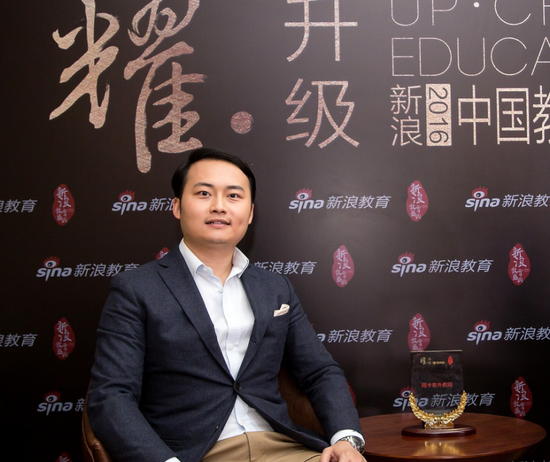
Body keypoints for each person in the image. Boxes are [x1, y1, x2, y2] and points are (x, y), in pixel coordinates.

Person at [87, 147, 365, 462]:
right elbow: (111, 396)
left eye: (233, 196)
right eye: (204, 193)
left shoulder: (275, 288)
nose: (219, 206)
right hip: (194, 454)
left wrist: (346, 439)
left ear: (250, 213)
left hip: (284, 447)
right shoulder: (137, 289)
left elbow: (320, 371)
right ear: (177, 206)